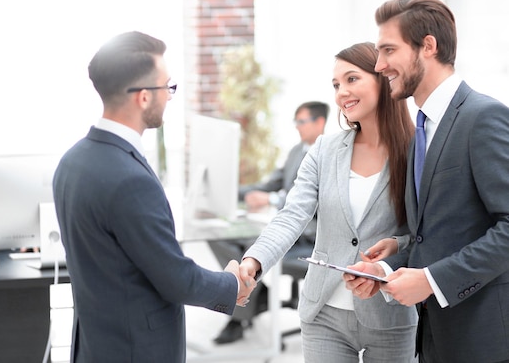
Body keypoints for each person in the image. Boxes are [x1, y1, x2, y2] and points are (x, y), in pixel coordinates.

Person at [52, 31, 254, 363]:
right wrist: (231, 284)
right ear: (144, 97)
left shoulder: (72, 161)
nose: (170, 97)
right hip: (136, 350)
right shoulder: (129, 179)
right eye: (168, 87)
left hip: (96, 345)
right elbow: (175, 279)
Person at [345, 0, 509, 363]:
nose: (379, 64)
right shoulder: (420, 129)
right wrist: (385, 269)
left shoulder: (483, 118)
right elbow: (440, 233)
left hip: (486, 341)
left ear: (428, 46)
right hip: (437, 338)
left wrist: (432, 281)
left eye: (388, 50)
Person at [239, 42, 418, 362]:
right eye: (336, 85)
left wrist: (390, 253)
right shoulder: (324, 150)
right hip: (324, 315)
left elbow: (425, 232)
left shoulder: (416, 151)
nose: (341, 93)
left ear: (381, 78)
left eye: (351, 80)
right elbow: (291, 215)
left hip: (390, 316)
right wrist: (253, 263)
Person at [209, 101, 329, 344]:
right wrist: (229, 190)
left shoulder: (329, 152)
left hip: (308, 236)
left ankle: (240, 315)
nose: (297, 127)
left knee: (254, 245)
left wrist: (273, 199)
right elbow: (268, 184)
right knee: (219, 235)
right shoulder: (297, 151)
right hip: (284, 227)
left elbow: (315, 198)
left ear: (320, 122)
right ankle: (256, 294)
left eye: (302, 122)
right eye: (295, 122)